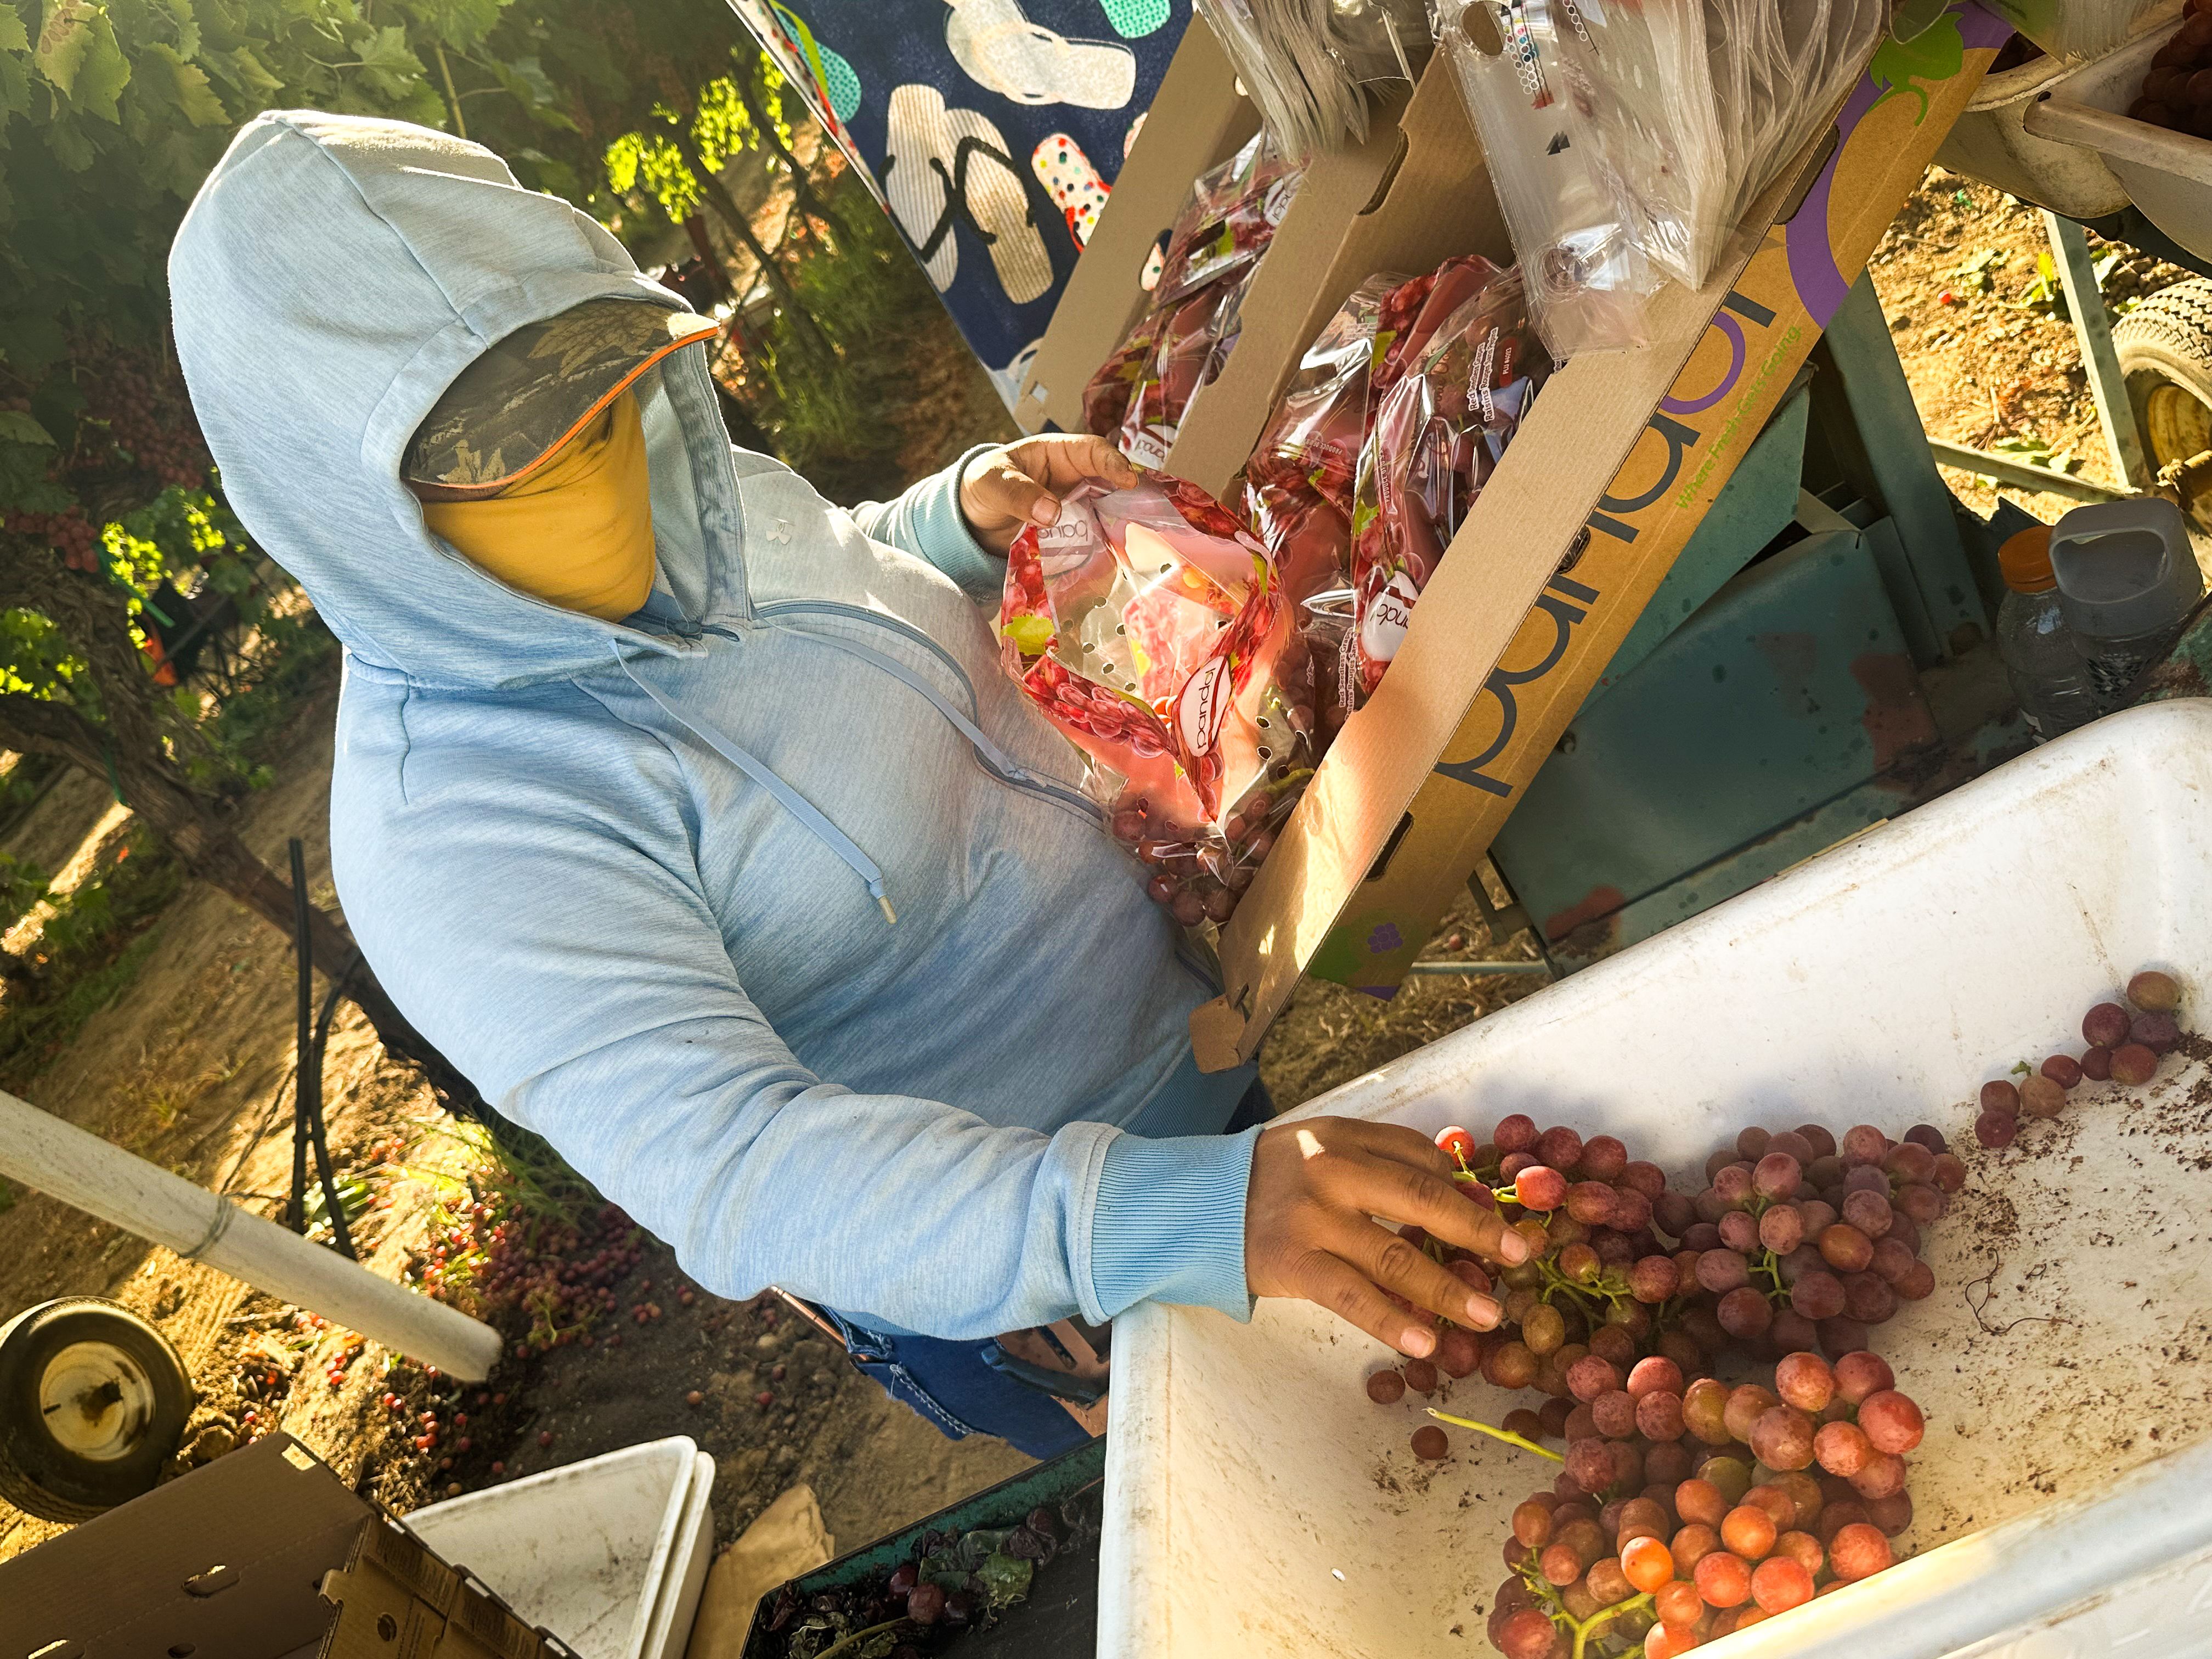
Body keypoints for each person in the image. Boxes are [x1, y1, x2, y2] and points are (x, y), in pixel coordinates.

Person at [168, 111, 1523, 1458]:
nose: (604, 479)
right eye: (520, 470)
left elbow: (830, 564)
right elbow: (741, 1165)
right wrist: (1171, 1220)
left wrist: (953, 521)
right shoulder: (456, 833)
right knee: (1328, 1471)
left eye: (602, 410)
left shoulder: (675, 467)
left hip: (1194, 1055)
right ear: (356, 525)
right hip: (1042, 1265)